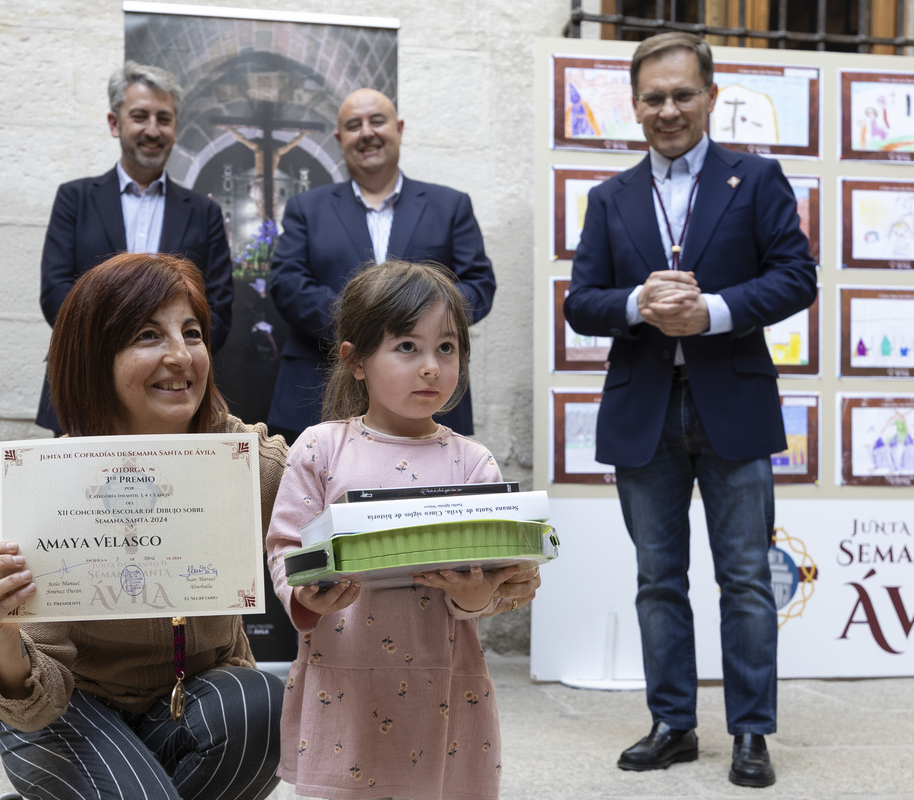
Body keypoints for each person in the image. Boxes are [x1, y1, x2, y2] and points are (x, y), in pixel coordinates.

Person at [563, 32, 817, 789]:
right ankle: (672, 723)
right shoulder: (610, 198)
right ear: (634, 106)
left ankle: (750, 733)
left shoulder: (758, 179)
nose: (668, 109)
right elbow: (582, 304)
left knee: (744, 578)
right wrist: (638, 304)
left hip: (731, 406)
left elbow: (796, 278)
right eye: (653, 97)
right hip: (644, 411)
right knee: (657, 579)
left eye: (681, 94)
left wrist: (710, 311)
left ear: (710, 95)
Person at [0, 253, 284, 800]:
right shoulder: (50, 483)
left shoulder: (241, 464)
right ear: (95, 356)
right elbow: (33, 700)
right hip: (65, 714)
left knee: (262, 708)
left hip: (190, 708)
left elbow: (340, 494)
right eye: (147, 335)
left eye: (192, 333)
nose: (180, 356)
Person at [265, 260, 540, 800]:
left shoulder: (473, 462)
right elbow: (286, 545)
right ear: (357, 360)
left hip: (442, 678)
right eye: (407, 347)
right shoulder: (321, 447)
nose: (431, 367)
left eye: (447, 348)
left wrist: (476, 593)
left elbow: (499, 579)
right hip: (342, 673)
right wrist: (307, 596)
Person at [266, 88, 496, 441]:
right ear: (340, 139)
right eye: (354, 125)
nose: (367, 132)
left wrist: (415, 323)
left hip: (427, 399)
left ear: (399, 128)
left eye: (377, 121)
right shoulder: (306, 208)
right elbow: (287, 282)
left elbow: (479, 284)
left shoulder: (450, 206)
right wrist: (369, 327)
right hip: (319, 394)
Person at [36, 61, 235, 435]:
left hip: (172, 396)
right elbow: (55, 292)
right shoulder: (75, 199)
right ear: (115, 123)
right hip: (84, 389)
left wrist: (176, 361)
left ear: (176, 126)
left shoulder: (204, 211)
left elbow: (218, 306)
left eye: (164, 118)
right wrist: (118, 356)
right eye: (140, 116)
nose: (153, 130)